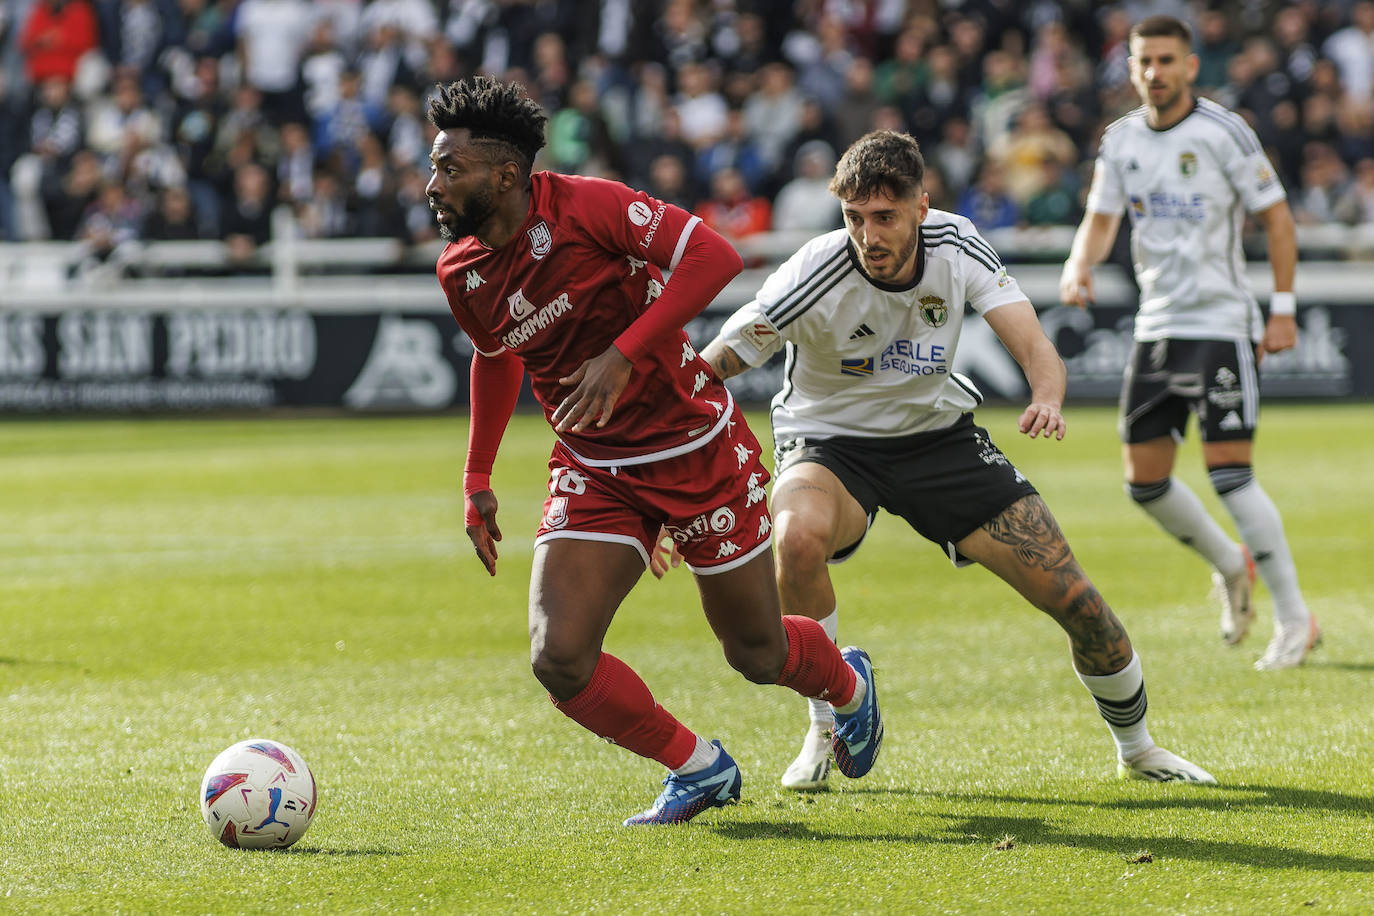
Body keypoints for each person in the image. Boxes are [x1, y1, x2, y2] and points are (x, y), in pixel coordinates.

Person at [698, 128, 1216, 792]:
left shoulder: (957, 242)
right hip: (829, 443)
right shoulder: (813, 271)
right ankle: (826, 726)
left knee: (1079, 602)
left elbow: (1032, 341)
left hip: (938, 438)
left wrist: (1048, 396)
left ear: (922, 204)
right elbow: (715, 364)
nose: (868, 235)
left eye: (884, 216)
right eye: (854, 218)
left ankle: (1139, 748)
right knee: (796, 540)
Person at [425, 76, 882, 825]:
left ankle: (848, 685)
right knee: (559, 658)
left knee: (758, 656)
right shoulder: (461, 269)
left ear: (505, 176)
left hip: (693, 449)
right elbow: (497, 354)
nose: (433, 185)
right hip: (594, 467)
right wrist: (477, 473)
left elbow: (714, 256)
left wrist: (625, 354)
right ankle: (699, 767)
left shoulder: (588, 206)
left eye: (450, 169)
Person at [1059, 15, 1319, 671]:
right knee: (1143, 484)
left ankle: (1295, 620)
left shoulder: (1224, 132)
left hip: (1220, 324)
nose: (1155, 73)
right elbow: (1099, 218)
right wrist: (1077, 264)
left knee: (1230, 474)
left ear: (1191, 65)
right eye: (1144, 61)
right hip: (1158, 324)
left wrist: (1282, 308)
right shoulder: (1119, 140)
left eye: (1167, 60)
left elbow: (1278, 219)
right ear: (1133, 66)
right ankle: (1232, 565)